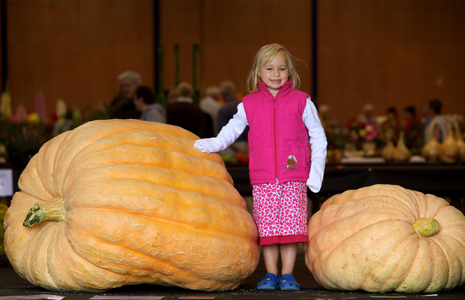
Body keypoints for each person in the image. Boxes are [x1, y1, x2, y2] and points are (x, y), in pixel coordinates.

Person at [193, 43, 327, 291]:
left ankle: (287, 274)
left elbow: (318, 136)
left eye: (281, 68)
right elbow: (232, 130)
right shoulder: (249, 104)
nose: (276, 74)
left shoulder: (302, 101)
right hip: (263, 178)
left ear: (289, 73)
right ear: (258, 72)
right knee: (267, 229)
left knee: (290, 229)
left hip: (293, 176)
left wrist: (315, 171)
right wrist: (214, 143)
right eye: (270, 68)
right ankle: (270, 273)